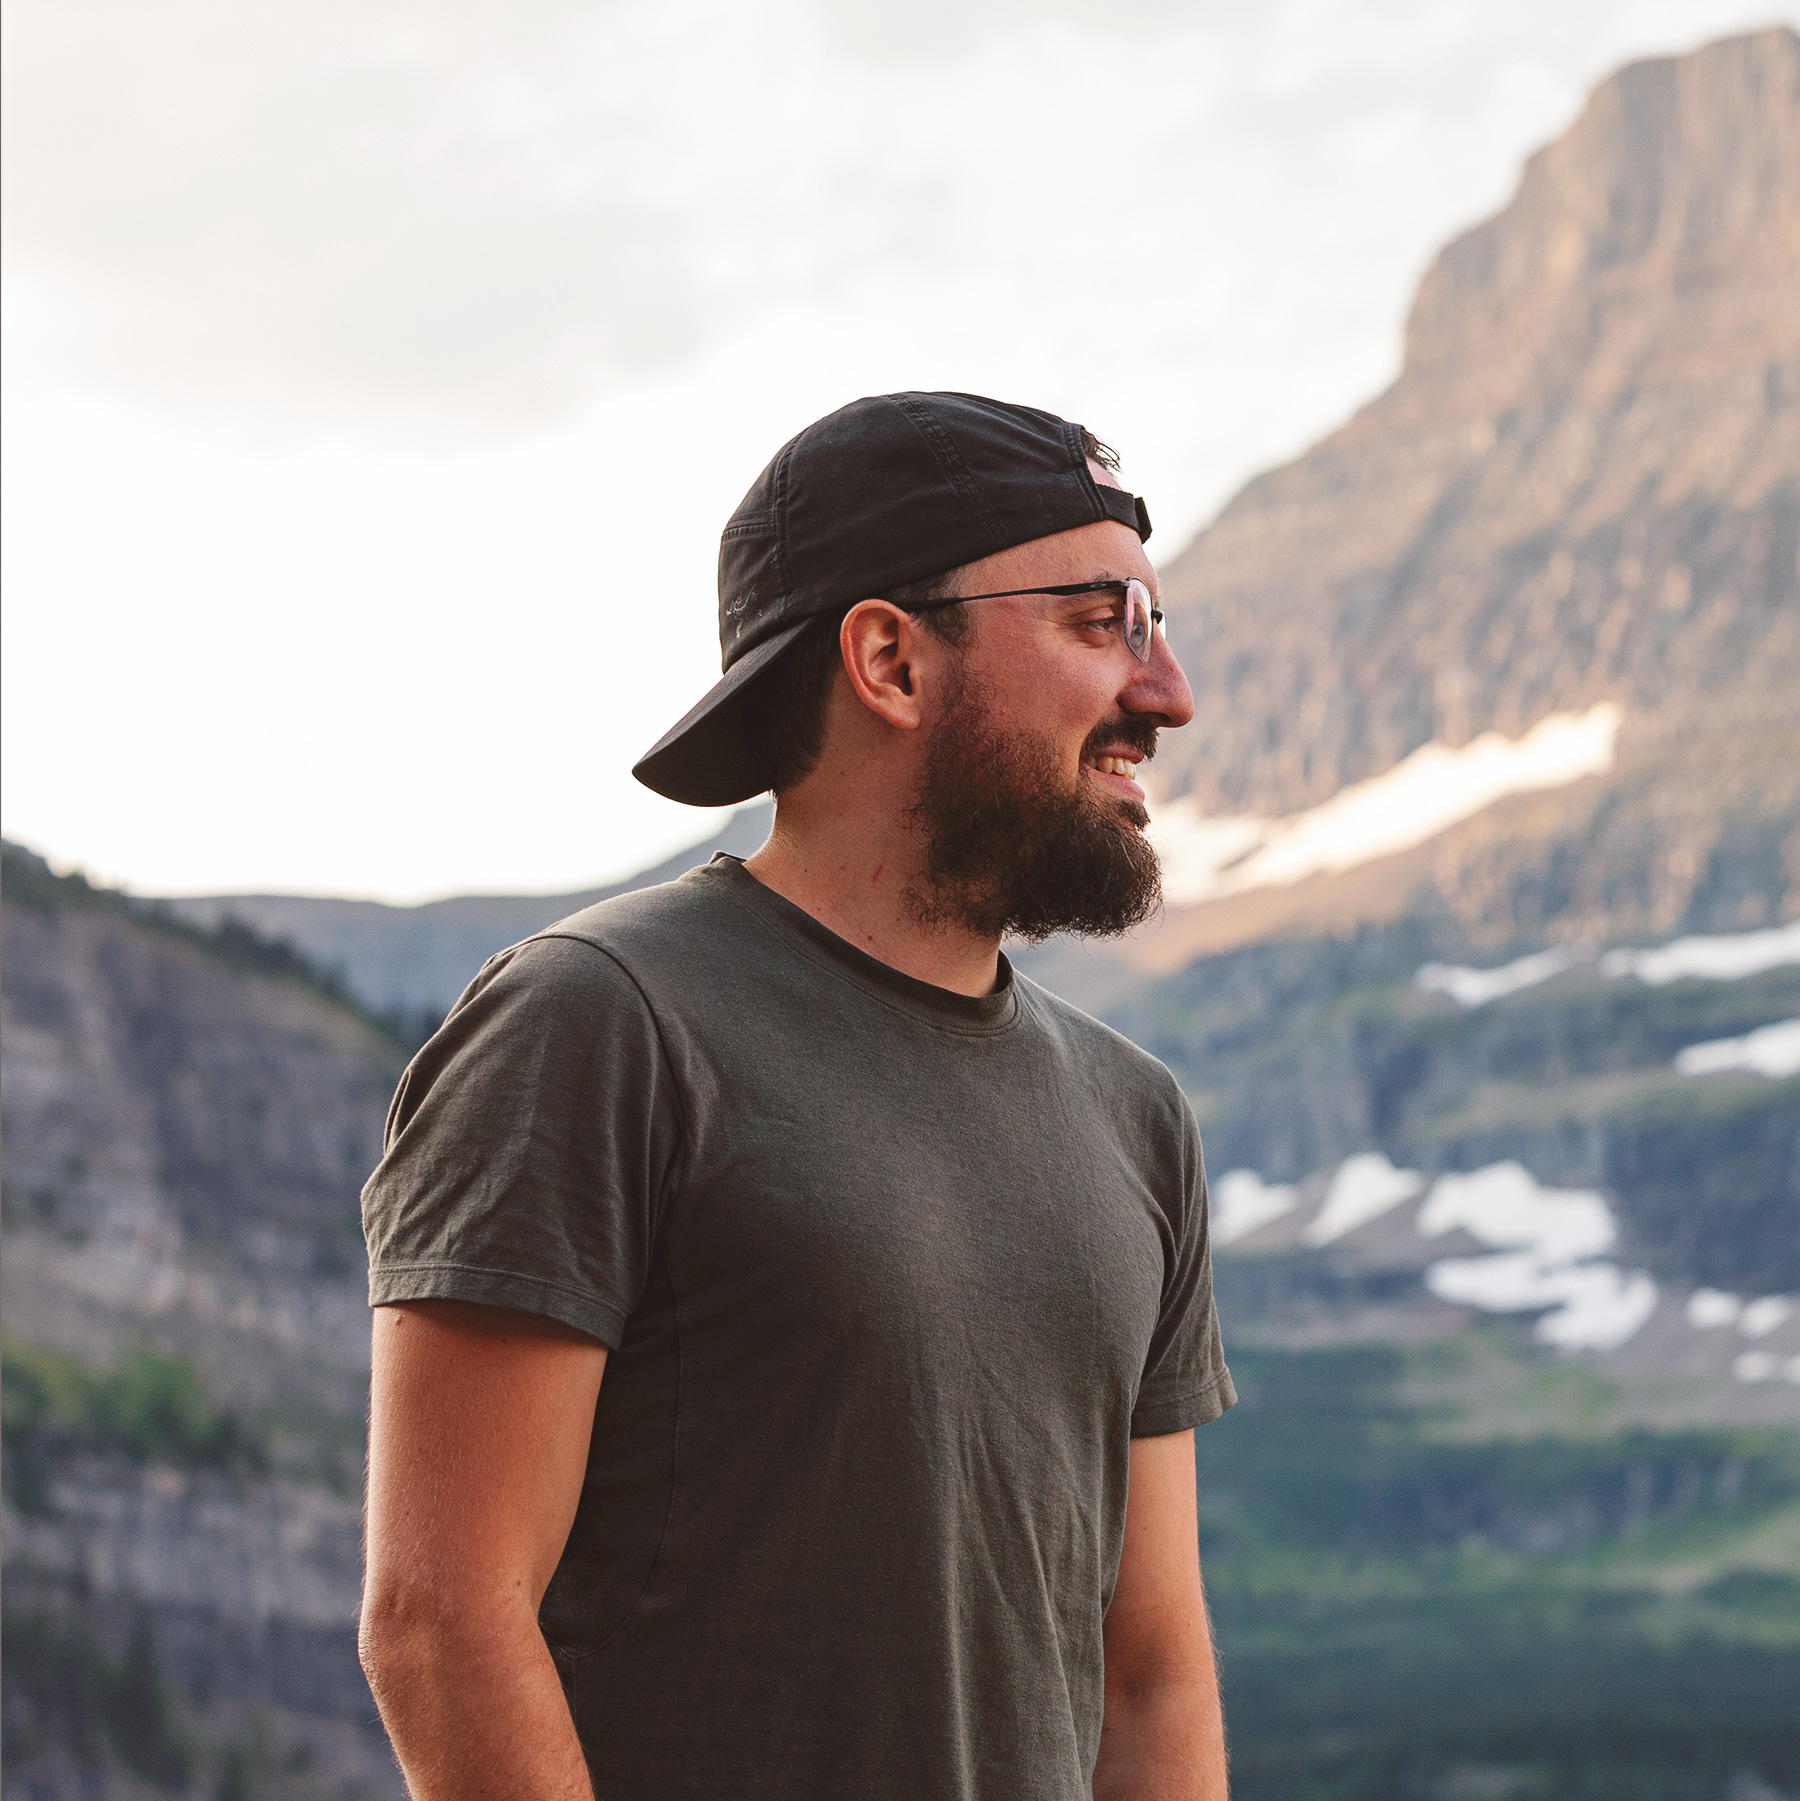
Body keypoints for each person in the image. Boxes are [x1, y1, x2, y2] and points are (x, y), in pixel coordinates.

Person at [358, 391, 1235, 1801]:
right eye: (1102, 622)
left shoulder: (1137, 1117)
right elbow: (443, 1616)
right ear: (889, 657)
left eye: (1160, 625)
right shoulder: (598, 1021)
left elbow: (1150, 1669)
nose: (1168, 689)